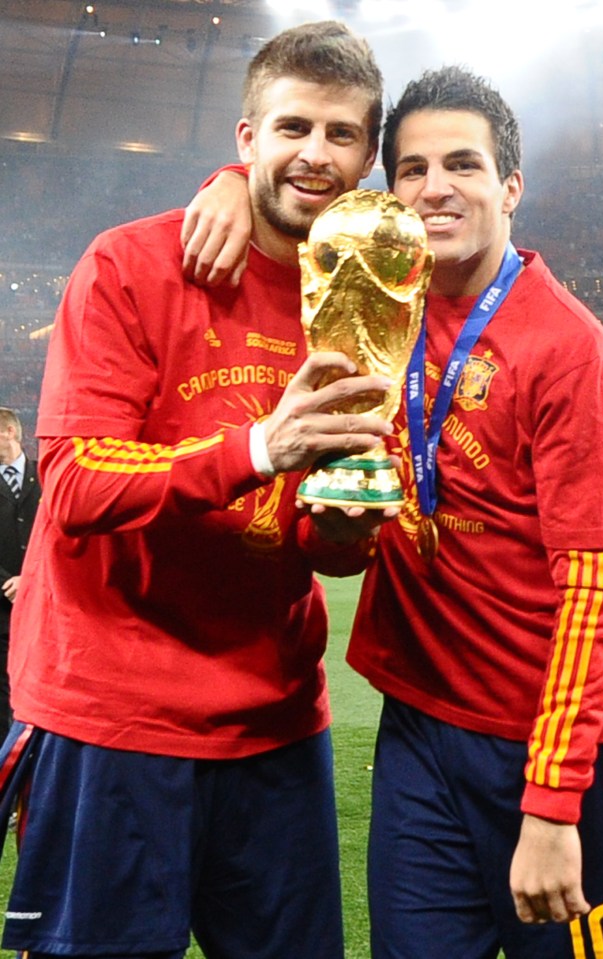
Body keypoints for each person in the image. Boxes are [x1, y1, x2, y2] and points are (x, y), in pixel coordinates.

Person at [180, 65, 603, 959]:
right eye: (410, 169)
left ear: (510, 186)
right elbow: (292, 187)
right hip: (418, 732)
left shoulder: (571, 356)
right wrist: (225, 181)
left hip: (550, 746)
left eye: (463, 165)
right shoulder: (374, 299)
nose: (434, 187)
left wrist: (552, 803)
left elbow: (595, 592)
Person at [1, 21, 391, 959]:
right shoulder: (128, 265)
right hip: (110, 716)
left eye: (342, 135)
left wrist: (344, 532)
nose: (316, 154)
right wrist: (258, 446)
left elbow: (317, 545)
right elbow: (78, 480)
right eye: (293, 127)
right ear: (246, 139)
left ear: (369, 158)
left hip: (274, 720)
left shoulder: (360, 302)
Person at [0, 408, 41, 741]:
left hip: (45, 604)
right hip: (1, 607)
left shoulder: (47, 477)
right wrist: (7, 582)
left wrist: (33, 579)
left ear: (10, 433)